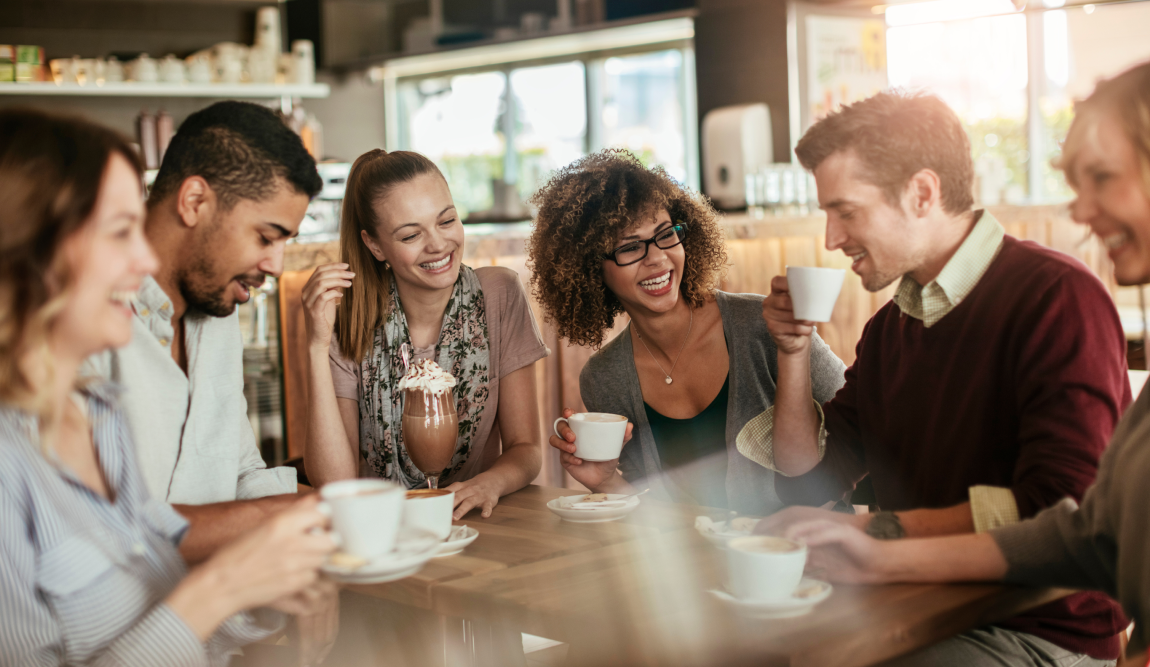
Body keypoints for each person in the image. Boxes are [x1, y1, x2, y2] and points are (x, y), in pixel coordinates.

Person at [759, 52, 1150, 667]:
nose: (831, 238)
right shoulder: (892, 328)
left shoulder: (1055, 297)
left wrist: (878, 537)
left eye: (845, 210)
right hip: (917, 601)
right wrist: (793, 350)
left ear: (921, 194)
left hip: (1036, 627)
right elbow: (806, 481)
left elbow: (1061, 509)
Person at [0, 107, 336, 666]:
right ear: (34, 254)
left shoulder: (97, 415)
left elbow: (150, 546)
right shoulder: (15, 455)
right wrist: (230, 581)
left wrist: (314, 536)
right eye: (119, 231)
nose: (142, 259)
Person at [527, 150, 845, 514]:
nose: (658, 258)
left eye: (666, 235)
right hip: (703, 563)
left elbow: (860, 424)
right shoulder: (605, 378)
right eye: (630, 247)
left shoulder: (763, 323)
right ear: (590, 270)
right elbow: (657, 518)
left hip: (810, 549)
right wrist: (606, 482)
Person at [303, 150, 548, 520]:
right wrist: (316, 347)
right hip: (379, 529)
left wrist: (489, 483)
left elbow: (526, 447)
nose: (437, 244)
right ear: (374, 246)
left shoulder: (498, 295)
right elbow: (334, 484)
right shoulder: (349, 319)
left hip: (472, 524)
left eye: (446, 220)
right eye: (411, 234)